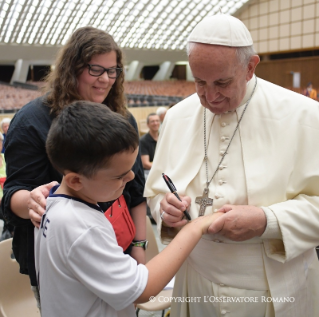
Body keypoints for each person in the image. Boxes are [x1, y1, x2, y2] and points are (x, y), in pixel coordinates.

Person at [145, 14, 319, 317]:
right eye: (200, 82)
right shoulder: (177, 117)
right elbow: (157, 193)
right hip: (196, 284)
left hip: (271, 289)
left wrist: (267, 221)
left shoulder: (306, 116)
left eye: (222, 82)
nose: (209, 96)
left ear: (250, 67)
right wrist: (166, 209)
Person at [1, 26, 146, 308]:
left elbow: (135, 191)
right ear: (72, 68)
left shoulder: (122, 118)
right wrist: (30, 201)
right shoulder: (32, 120)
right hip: (60, 263)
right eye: (95, 69)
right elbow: (13, 195)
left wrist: (139, 246)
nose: (106, 79)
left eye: (113, 70)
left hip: (117, 250)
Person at [35, 100, 223, 317]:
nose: (132, 177)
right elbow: (142, 290)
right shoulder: (83, 227)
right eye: (119, 176)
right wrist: (194, 228)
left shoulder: (52, 200)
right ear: (76, 181)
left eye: (130, 168)